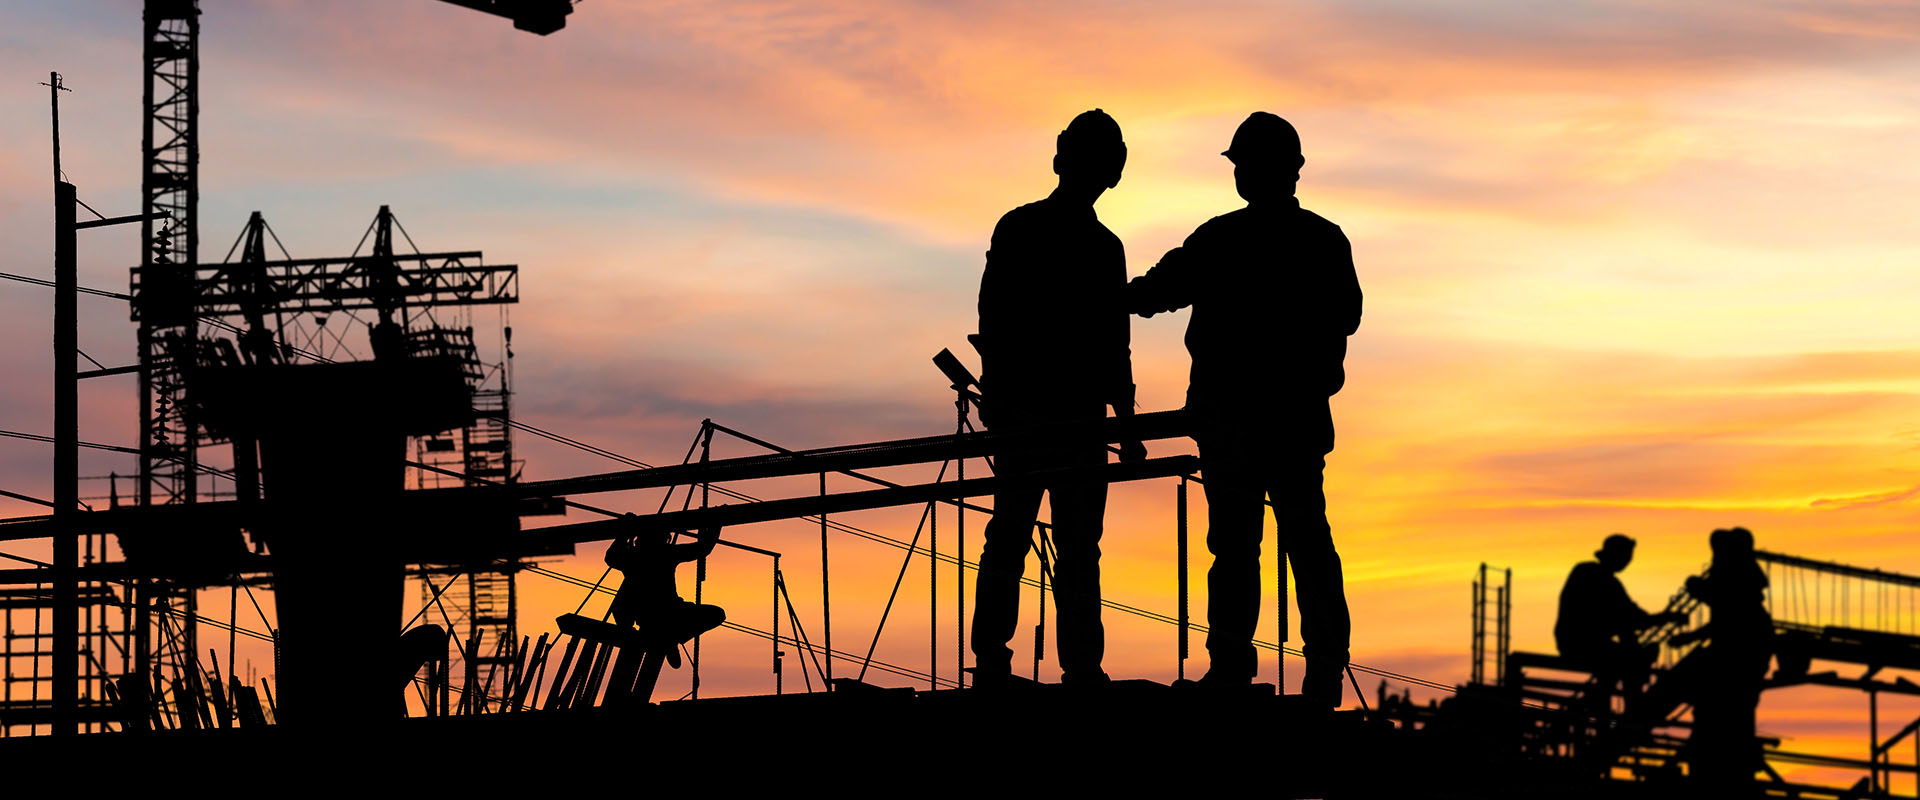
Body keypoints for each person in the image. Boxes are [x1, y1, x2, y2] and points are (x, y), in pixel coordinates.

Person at [1126, 112, 1359, 705]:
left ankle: (1235, 666)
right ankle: (1320, 669)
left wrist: (1092, 297)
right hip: (1289, 420)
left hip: (1237, 420)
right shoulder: (1321, 240)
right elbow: (1348, 316)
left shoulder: (1221, 239)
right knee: (1301, 542)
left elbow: (1153, 294)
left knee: (1239, 547)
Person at [970, 108, 1146, 688]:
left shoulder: (1067, 239)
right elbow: (997, 319)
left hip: (1063, 417)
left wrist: (1124, 424)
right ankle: (1037, 663)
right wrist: (1123, 424)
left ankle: (1052, 664)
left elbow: (1110, 345)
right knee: (1039, 538)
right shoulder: (1059, 237)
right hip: (1044, 415)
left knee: (1041, 539)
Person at [1668, 527, 1772, 790]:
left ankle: (1716, 759)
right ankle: (1718, 755)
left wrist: (1695, 587)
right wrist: (1690, 638)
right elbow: (1724, 621)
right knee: (1722, 707)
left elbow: (1726, 616)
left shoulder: (1736, 580)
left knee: (1721, 707)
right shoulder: (1743, 582)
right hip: (1745, 653)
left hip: (1740, 656)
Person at [1555, 533, 1680, 710]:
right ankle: (1630, 709)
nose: (1627, 562)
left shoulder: (1592, 573)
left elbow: (1630, 614)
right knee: (1631, 659)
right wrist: (1666, 618)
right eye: (1626, 557)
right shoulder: (1599, 578)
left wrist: (1658, 619)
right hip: (1582, 644)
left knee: (1626, 655)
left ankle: (1603, 702)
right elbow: (1632, 616)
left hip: (1576, 642)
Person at [605, 523, 726, 662]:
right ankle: (671, 638)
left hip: (652, 616)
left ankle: (670, 638)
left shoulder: (634, 555)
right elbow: (703, 548)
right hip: (665, 614)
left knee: (716, 614)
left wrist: (624, 534)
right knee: (716, 614)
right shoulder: (664, 553)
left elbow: (611, 557)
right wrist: (716, 525)